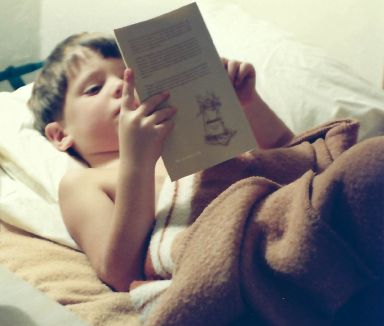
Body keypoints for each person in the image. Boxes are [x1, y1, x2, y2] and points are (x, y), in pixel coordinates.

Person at [29, 32, 294, 292]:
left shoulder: (190, 140)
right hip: (236, 254)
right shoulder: (82, 182)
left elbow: (289, 157)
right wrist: (137, 161)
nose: (121, 86)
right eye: (94, 88)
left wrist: (247, 104)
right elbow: (120, 274)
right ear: (61, 135)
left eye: (126, 76)